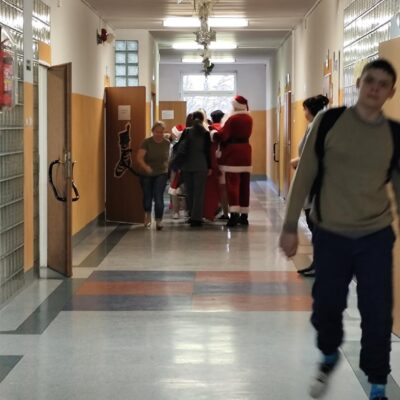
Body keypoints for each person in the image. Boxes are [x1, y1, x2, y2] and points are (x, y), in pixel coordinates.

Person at [279, 59, 399, 400]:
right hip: (331, 233)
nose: (375, 88)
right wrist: (289, 226)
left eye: (383, 84)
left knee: (378, 312)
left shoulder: (394, 134)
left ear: (391, 93)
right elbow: (305, 174)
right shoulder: (329, 121)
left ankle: (378, 383)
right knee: (327, 307)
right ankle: (329, 350)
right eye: (370, 80)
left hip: (375, 235)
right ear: (358, 83)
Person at [290, 95, 329, 277]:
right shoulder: (314, 126)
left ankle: (321, 264)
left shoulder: (318, 128)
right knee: (313, 223)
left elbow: (316, 155)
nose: (304, 113)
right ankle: (319, 263)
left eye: (305, 109)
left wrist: (298, 161)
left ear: (310, 110)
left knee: (316, 225)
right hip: (311, 181)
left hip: (316, 183)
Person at [214, 95, 253, 227]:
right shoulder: (249, 118)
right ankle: (244, 216)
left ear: (235, 106)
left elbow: (223, 136)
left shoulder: (232, 119)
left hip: (233, 155)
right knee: (245, 186)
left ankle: (234, 215)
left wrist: (213, 133)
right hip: (246, 153)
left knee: (232, 185)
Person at [136, 121, 170, 230]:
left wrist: (167, 164)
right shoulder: (146, 142)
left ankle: (159, 221)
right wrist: (146, 167)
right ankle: (148, 215)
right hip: (146, 174)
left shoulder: (166, 143)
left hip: (161, 173)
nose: (159, 134)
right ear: (153, 131)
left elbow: (167, 157)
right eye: (157, 132)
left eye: (161, 132)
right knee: (147, 196)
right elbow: (139, 158)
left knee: (158, 196)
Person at [181, 110, 211, 227]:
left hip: (187, 165)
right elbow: (207, 151)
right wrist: (209, 166)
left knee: (189, 192)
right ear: (203, 120)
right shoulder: (206, 133)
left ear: (192, 119)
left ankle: (191, 215)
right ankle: (196, 218)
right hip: (201, 165)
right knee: (199, 193)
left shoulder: (186, 131)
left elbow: (180, 148)